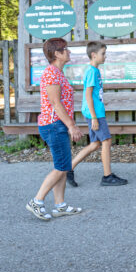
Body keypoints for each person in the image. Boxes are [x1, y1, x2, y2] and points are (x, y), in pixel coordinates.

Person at [25, 37, 84, 221]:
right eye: (65, 49)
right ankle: (37, 201)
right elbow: (56, 104)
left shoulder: (58, 72)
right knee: (61, 167)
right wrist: (71, 126)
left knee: (64, 166)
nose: (69, 52)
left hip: (57, 125)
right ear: (57, 53)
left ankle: (60, 205)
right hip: (53, 125)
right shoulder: (51, 73)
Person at [65, 40, 128, 187]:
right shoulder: (92, 72)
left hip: (95, 112)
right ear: (93, 55)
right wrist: (94, 116)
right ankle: (107, 176)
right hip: (96, 114)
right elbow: (87, 95)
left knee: (95, 144)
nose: (105, 56)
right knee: (106, 141)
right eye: (103, 53)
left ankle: (69, 168)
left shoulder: (94, 70)